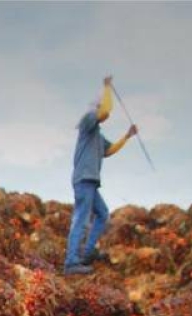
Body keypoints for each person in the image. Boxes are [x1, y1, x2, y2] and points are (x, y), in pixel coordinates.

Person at [65, 75, 137, 275]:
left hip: (91, 181)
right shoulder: (87, 121)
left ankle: (86, 254)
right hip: (83, 179)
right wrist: (107, 88)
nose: (102, 113)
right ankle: (71, 262)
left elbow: (109, 150)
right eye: (99, 108)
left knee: (102, 214)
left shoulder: (97, 134)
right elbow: (105, 111)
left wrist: (127, 136)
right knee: (81, 217)